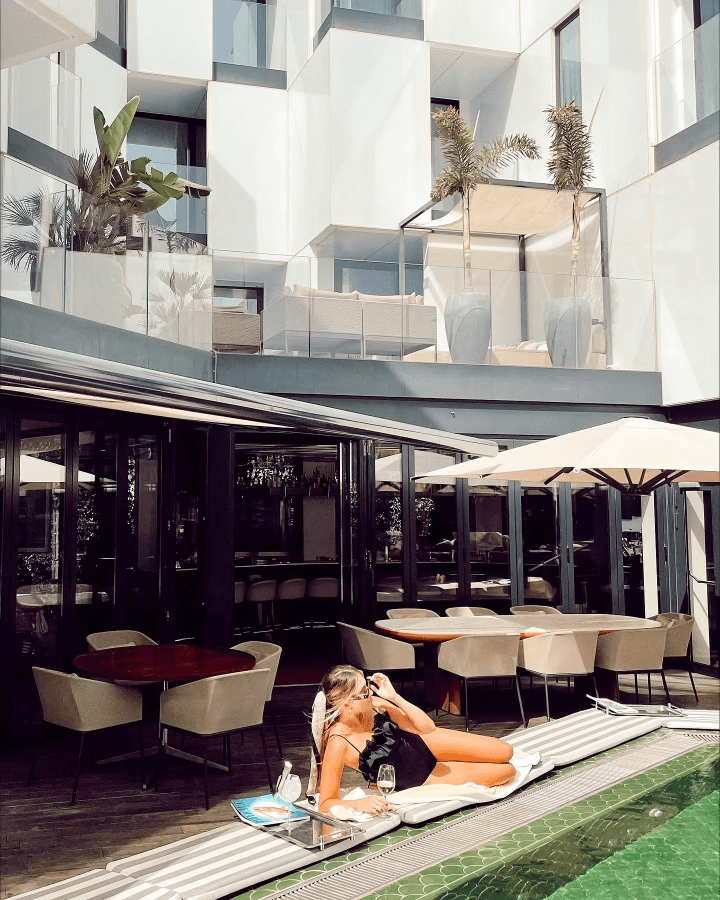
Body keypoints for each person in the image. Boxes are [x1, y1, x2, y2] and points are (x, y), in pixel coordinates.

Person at [310, 665, 516, 816]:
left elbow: (427, 728)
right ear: (346, 705)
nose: (370, 693)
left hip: (426, 744)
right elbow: (325, 803)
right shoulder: (338, 742)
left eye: (368, 687)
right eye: (364, 692)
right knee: (506, 772)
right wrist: (359, 804)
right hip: (421, 775)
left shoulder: (374, 705)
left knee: (505, 751)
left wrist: (394, 697)